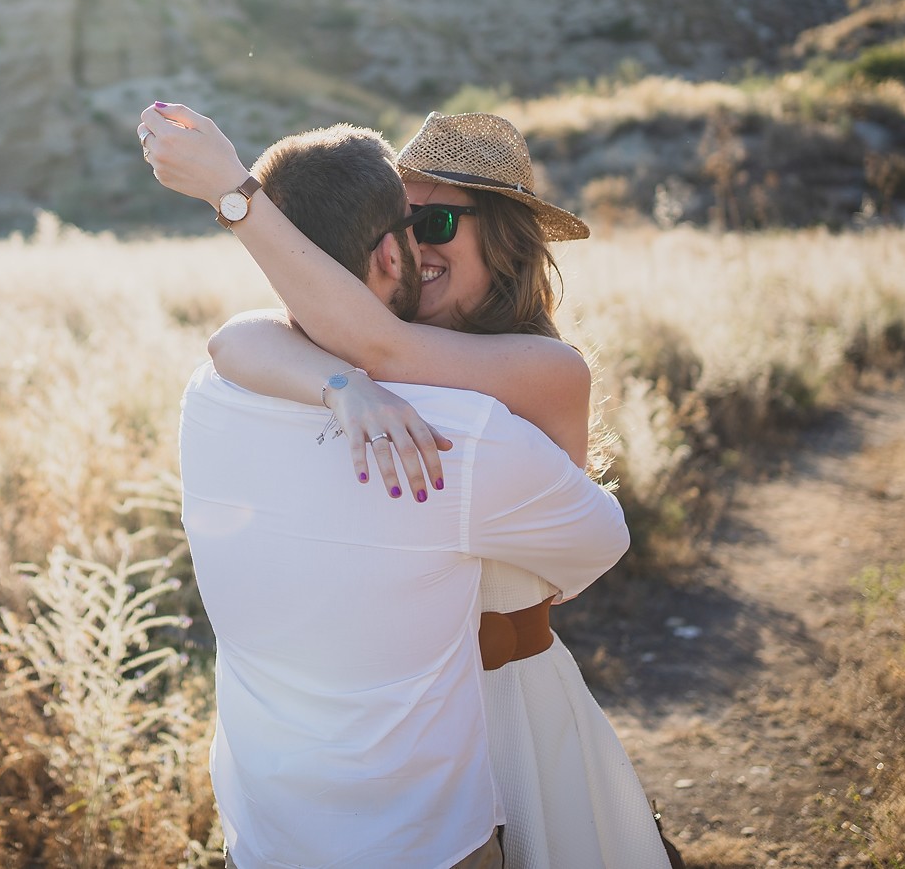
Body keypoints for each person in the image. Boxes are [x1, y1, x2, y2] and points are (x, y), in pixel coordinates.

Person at [142, 103, 675, 869]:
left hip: (506, 700)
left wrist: (233, 191)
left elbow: (380, 347)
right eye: (399, 221)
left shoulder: (539, 368)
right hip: (418, 711)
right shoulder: (349, 351)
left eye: (435, 223)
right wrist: (337, 383)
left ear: (501, 234)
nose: (410, 244)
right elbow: (235, 336)